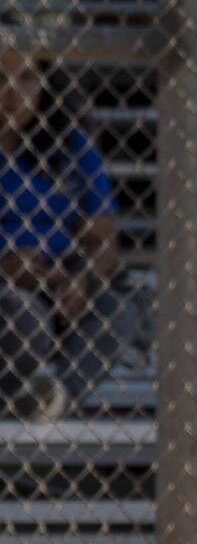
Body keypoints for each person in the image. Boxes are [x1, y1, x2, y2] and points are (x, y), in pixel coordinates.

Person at [0, 54, 141, 418]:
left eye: (28, 77)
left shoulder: (69, 143)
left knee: (119, 312)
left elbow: (102, 238)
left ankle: (52, 404)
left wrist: (84, 279)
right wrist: (7, 266)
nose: (13, 93)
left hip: (60, 282)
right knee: (24, 317)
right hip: (9, 292)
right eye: (1, 78)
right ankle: (17, 408)